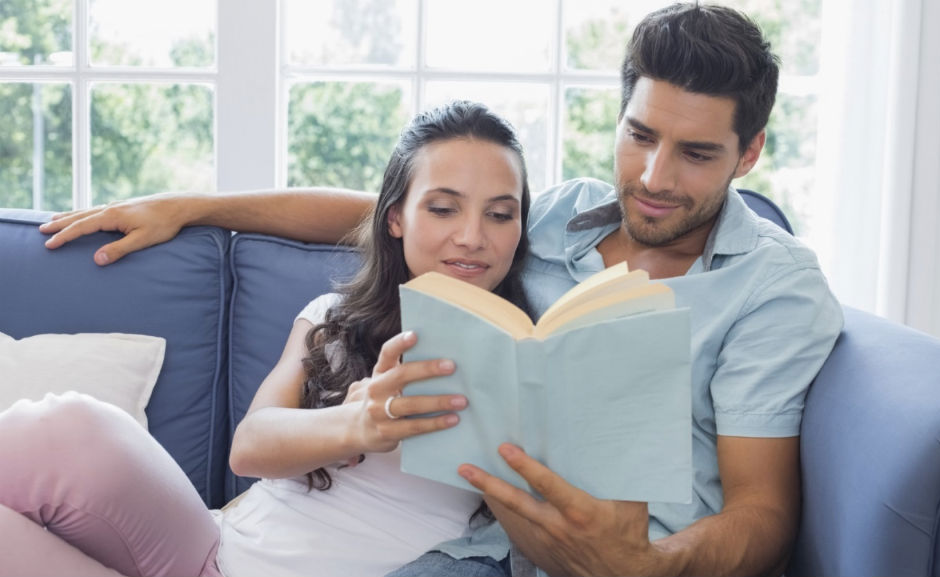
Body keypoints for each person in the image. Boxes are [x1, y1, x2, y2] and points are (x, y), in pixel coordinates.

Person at [39, 4, 844, 576]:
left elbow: (763, 512)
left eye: (697, 153)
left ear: (750, 153)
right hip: (485, 549)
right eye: (640, 136)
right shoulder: (557, 217)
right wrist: (194, 207)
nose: (655, 177)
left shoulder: (772, 287)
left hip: (639, 554)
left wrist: (646, 564)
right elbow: (390, 211)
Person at [2, 100, 533, 577]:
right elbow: (250, 448)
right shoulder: (334, 316)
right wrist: (352, 423)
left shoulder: (534, 354)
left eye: (500, 214)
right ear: (394, 218)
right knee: (71, 426)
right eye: (443, 208)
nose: (471, 236)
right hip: (211, 550)